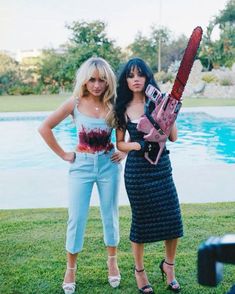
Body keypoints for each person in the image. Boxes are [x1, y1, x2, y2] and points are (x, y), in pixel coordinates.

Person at [38, 57, 125, 294]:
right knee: (76, 218)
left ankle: (112, 262)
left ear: (109, 81)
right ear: (84, 81)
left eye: (102, 80)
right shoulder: (74, 103)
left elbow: (122, 140)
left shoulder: (115, 105)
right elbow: (44, 127)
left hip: (109, 166)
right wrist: (63, 154)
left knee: (111, 215)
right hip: (81, 168)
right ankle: (70, 269)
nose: (97, 85)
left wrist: (123, 154)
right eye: (92, 80)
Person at [114, 57, 183, 293]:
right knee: (141, 223)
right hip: (137, 174)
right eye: (131, 75)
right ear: (126, 80)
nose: (135, 79)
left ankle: (169, 266)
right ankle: (139, 271)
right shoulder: (122, 107)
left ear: (147, 78)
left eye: (140, 75)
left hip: (162, 169)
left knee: (173, 218)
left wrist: (169, 110)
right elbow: (120, 145)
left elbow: (173, 137)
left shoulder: (157, 102)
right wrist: (136, 146)